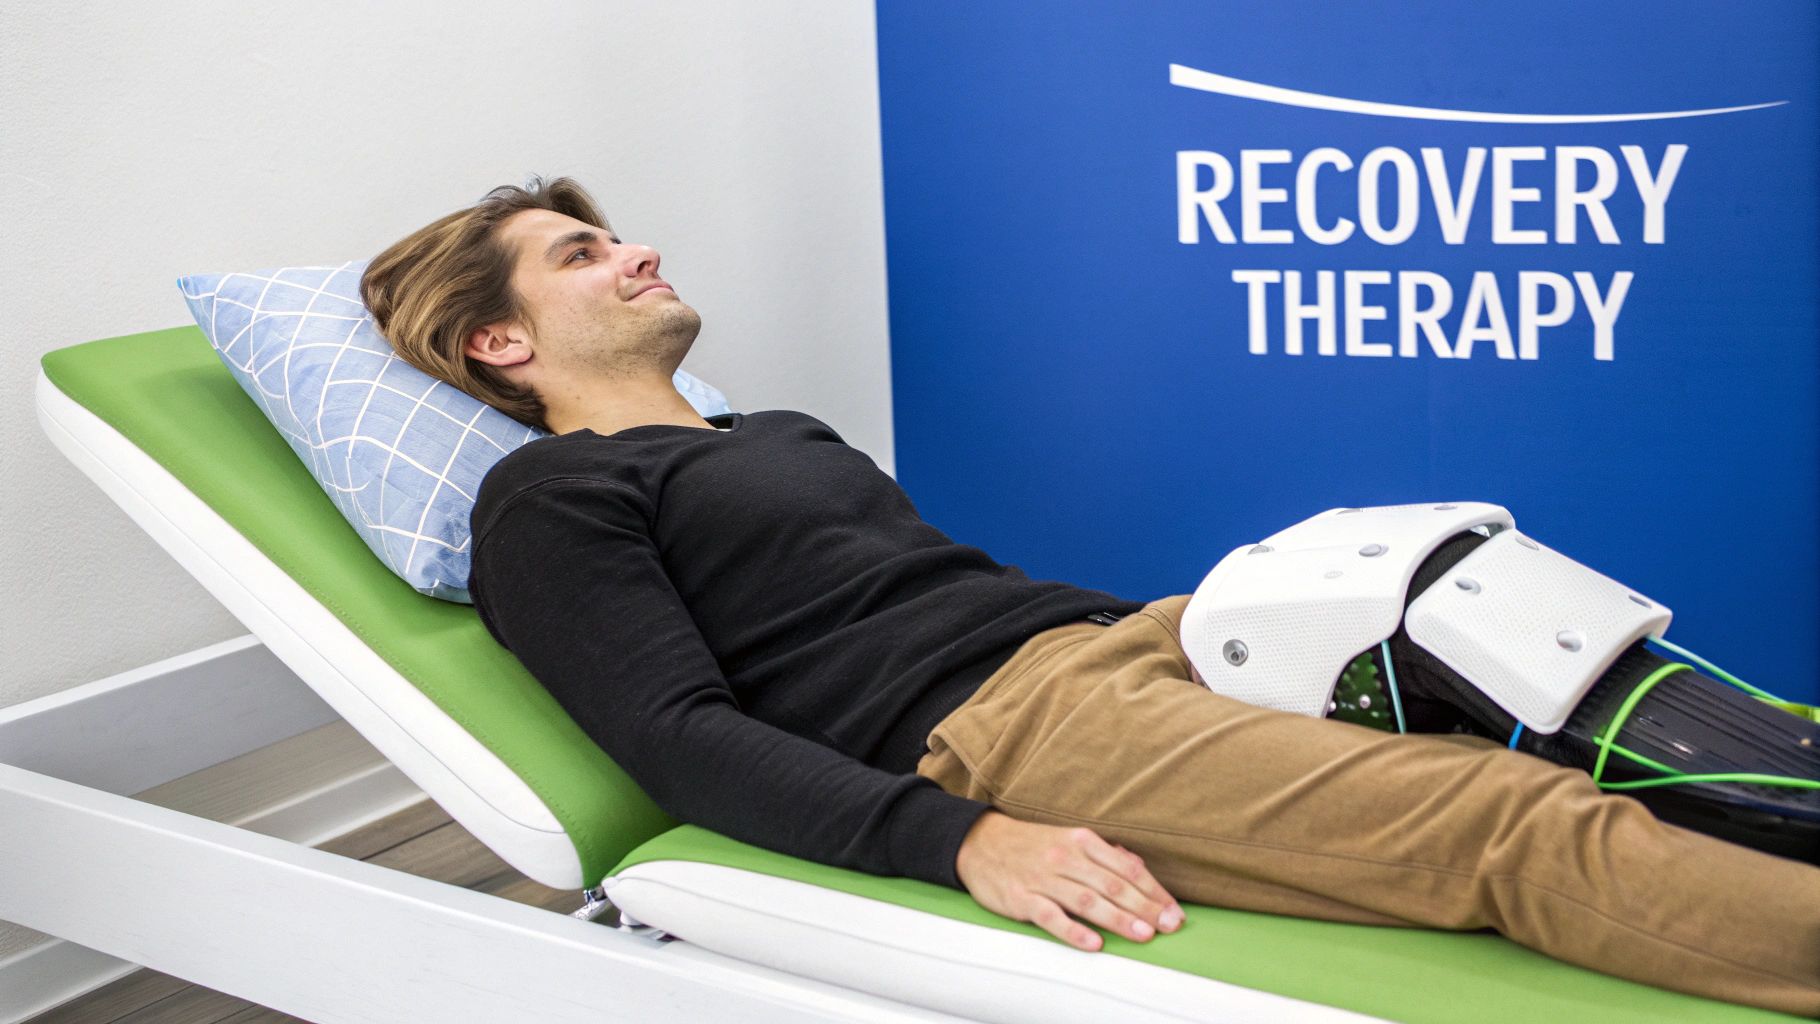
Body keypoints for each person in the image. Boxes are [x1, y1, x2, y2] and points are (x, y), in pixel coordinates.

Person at [359, 176, 1820, 1017]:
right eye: (582, 255)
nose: (636, 252)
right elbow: (672, 734)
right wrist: (958, 840)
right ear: (499, 341)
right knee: (1499, 818)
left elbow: (950, 590)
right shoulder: (548, 499)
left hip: (1114, 641)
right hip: (1007, 732)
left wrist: (1220, 625)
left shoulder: (778, 436)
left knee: (1474, 615)